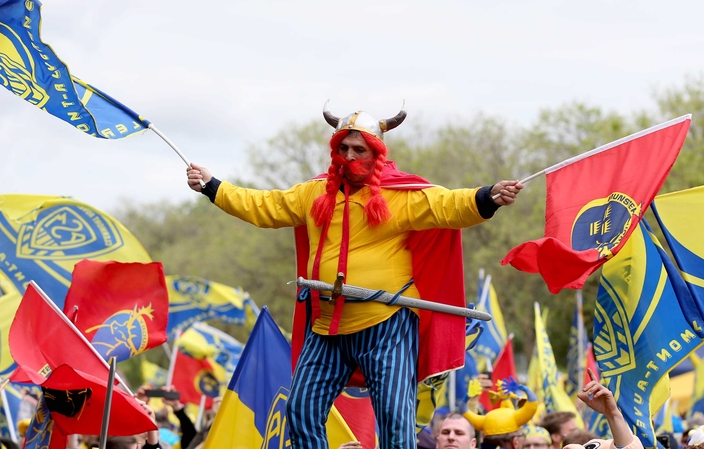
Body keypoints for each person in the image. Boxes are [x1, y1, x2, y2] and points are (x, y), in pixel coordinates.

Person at [187, 104, 522, 448]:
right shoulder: (312, 192)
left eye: (358, 149)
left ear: (376, 152)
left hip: (385, 323)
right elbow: (263, 206)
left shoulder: (401, 195)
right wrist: (212, 186)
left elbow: (449, 205)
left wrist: (489, 197)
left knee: (394, 419)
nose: (349, 156)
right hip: (326, 325)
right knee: (301, 410)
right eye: (342, 148)